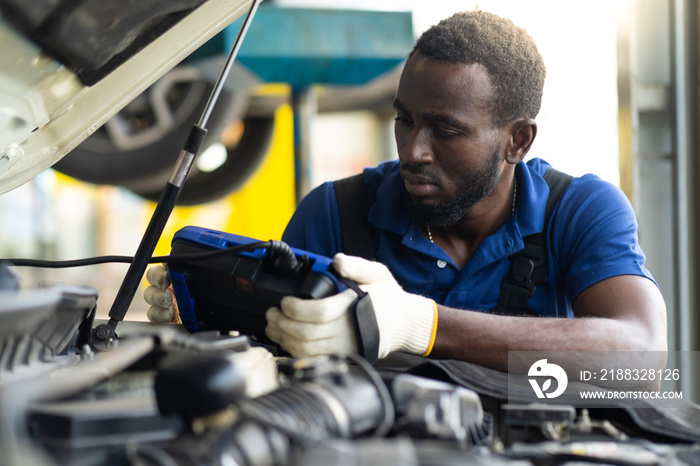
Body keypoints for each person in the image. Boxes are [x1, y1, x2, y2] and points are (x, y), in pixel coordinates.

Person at [146, 10, 667, 373]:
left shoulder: (577, 212)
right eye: (404, 119)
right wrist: (209, 322)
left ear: (517, 141)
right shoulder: (335, 214)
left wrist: (420, 325)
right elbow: (277, 355)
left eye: (445, 129)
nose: (413, 151)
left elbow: (642, 354)